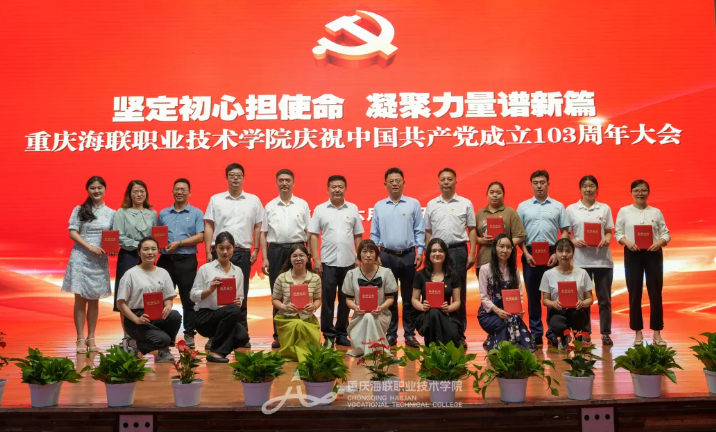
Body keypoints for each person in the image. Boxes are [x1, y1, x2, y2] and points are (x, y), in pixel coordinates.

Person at [204, 163, 264, 348]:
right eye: (232, 175)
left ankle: (242, 335)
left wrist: (256, 249)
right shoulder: (216, 199)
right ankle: (215, 335)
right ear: (226, 178)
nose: (235, 178)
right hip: (219, 253)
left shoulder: (253, 200)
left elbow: (258, 226)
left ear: (243, 178)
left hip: (242, 253)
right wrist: (207, 250)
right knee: (216, 295)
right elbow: (209, 226)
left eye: (238, 175)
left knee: (241, 295)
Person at [370, 167, 424, 348]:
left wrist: (420, 251)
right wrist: (375, 254)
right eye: (391, 181)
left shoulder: (413, 204)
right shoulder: (379, 206)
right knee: (389, 297)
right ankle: (391, 333)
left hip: (408, 255)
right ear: (385, 184)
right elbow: (374, 233)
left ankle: (409, 333)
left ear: (404, 183)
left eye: (398, 181)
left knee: (409, 297)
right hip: (386, 256)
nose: (395, 184)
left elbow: (419, 230)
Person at [62, 176, 116, 353]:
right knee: (80, 300)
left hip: (99, 260)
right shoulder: (79, 209)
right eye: (93, 188)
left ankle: (91, 337)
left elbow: (113, 237)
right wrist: (89, 247)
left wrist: (112, 249)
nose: (96, 191)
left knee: (94, 300)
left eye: (100, 187)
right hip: (81, 257)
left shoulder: (112, 213)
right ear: (88, 190)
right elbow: (72, 232)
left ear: (105, 189)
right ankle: (79, 338)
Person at [423, 168, 477, 347]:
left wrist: (472, 252)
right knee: (437, 292)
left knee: (459, 294)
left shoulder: (465, 203)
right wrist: (428, 253)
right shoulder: (431, 204)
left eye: (450, 179)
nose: (446, 182)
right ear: (438, 182)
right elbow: (428, 231)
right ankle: (439, 332)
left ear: (455, 182)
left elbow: (472, 229)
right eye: (443, 179)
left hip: (458, 250)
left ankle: (459, 334)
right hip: (437, 253)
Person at [309, 175, 364, 347]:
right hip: (328, 262)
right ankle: (328, 334)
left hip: (349, 262)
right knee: (327, 300)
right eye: (334, 187)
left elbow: (358, 235)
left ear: (345, 189)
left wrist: (359, 257)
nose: (337, 190)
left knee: (345, 299)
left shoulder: (353, 209)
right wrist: (316, 258)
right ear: (328, 189)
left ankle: (341, 333)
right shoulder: (320, 209)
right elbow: (313, 235)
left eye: (340, 187)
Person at [516, 170, 570, 348]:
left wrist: (557, 252)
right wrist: (525, 253)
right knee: (533, 295)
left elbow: (565, 231)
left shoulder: (558, 206)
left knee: (552, 294)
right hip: (530, 253)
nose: (539, 186)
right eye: (536, 183)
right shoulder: (523, 207)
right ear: (531, 184)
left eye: (542, 182)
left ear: (548, 184)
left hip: (552, 253)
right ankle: (536, 333)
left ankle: (553, 332)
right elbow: (519, 234)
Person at [615, 179, 671, 346]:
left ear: (648, 192)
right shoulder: (624, 211)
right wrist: (627, 242)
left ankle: (657, 333)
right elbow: (618, 233)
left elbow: (666, 234)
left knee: (655, 293)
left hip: (653, 254)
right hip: (633, 254)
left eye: (643, 190)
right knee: (634, 293)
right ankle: (637, 332)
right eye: (637, 190)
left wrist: (659, 243)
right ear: (631, 192)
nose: (640, 193)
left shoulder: (656, 212)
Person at [260, 169, 311, 349]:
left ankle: (301, 331)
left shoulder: (302, 205)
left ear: (293, 183)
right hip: (276, 250)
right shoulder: (270, 206)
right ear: (276, 183)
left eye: (287, 180)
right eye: (281, 180)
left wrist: (309, 254)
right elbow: (263, 233)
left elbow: (309, 232)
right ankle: (279, 335)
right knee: (278, 292)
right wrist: (264, 257)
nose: (284, 183)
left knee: (301, 290)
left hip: (297, 249)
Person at [566, 175, 615, 346]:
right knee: (582, 300)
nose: (588, 189)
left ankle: (606, 333)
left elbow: (609, 231)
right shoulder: (571, 209)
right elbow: (567, 234)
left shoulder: (604, 208)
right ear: (580, 189)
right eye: (585, 186)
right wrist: (574, 241)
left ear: (596, 188)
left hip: (602, 261)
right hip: (581, 261)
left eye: (591, 186)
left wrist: (607, 239)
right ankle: (584, 332)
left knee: (604, 300)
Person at [117, 237, 182, 362]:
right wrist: (136, 319)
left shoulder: (163, 273)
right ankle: (133, 343)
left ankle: (160, 348)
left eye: (153, 249)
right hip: (136, 318)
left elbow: (168, 297)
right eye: (146, 249)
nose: (150, 252)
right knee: (163, 339)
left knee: (175, 316)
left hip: (157, 315)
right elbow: (120, 303)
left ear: (158, 251)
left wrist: (168, 306)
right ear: (139, 252)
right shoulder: (130, 274)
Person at [157, 178, 205, 349]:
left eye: (183, 189)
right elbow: (158, 235)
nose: (179, 192)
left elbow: (201, 236)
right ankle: (164, 334)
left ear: (189, 193)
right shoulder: (163, 213)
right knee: (162, 298)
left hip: (186, 260)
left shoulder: (196, 213)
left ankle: (189, 333)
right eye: (176, 189)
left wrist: (180, 243)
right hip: (165, 261)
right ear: (172, 192)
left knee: (188, 299)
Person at [190, 232, 248, 363]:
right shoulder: (205, 269)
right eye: (221, 248)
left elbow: (239, 297)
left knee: (242, 337)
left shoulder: (238, 271)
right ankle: (215, 352)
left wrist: (238, 302)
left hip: (226, 317)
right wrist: (209, 289)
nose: (225, 252)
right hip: (205, 317)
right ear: (215, 248)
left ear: (233, 248)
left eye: (228, 248)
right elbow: (193, 296)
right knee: (232, 310)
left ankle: (217, 345)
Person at [113, 180, 157, 348]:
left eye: (142, 191)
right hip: (128, 256)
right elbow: (119, 236)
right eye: (135, 191)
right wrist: (141, 247)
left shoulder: (152, 213)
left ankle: (148, 334)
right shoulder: (121, 213)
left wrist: (148, 250)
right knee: (125, 295)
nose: (139, 194)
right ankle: (127, 336)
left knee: (149, 294)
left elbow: (156, 236)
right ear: (129, 194)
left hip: (148, 258)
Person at [342, 240, 397, 357]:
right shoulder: (351, 274)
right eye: (365, 251)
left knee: (370, 316)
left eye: (371, 252)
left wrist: (381, 307)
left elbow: (390, 298)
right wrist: (355, 308)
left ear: (376, 255)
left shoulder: (386, 273)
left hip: (380, 315)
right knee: (368, 316)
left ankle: (368, 351)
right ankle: (374, 350)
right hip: (359, 315)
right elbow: (348, 300)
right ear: (359, 254)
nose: (368, 255)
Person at [477, 234, 532, 351]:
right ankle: (506, 349)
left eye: (508, 247)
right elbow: (484, 297)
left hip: (509, 312)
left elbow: (519, 295)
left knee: (514, 318)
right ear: (494, 248)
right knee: (508, 322)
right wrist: (498, 311)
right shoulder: (485, 269)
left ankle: (507, 347)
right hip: (489, 313)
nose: (505, 250)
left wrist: (518, 309)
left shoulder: (514, 270)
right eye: (501, 246)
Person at [539, 238, 594, 349]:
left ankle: (579, 338)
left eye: (568, 251)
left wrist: (582, 303)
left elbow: (590, 299)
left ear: (573, 253)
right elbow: (545, 300)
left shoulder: (582, 273)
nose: (564, 254)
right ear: (555, 253)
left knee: (578, 317)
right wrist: (553, 303)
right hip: (558, 311)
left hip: (577, 311)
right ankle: (563, 337)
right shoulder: (548, 274)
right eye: (560, 251)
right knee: (557, 325)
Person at [272, 244, 322, 362]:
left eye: (301, 256)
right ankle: (297, 354)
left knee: (301, 325)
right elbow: (275, 300)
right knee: (298, 325)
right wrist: (285, 307)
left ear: (307, 258)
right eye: (294, 256)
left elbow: (318, 299)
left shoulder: (315, 278)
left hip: (308, 319)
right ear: (290, 259)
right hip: (287, 319)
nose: (298, 259)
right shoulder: (282, 278)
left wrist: (314, 306)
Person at [411, 238, 462, 347]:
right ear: (428, 254)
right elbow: (414, 299)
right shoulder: (420, 275)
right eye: (433, 251)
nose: (437, 254)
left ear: (445, 254)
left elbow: (457, 302)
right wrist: (422, 307)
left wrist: (448, 308)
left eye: (440, 251)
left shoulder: (453, 275)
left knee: (436, 314)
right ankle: (446, 348)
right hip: (426, 315)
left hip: (447, 314)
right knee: (433, 312)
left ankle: (433, 349)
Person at [475, 181, 526, 268]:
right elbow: (473, 237)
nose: (495, 195)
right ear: (486, 194)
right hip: (484, 260)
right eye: (491, 192)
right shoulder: (479, 214)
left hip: (506, 261)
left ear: (503, 195)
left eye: (498, 193)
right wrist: (481, 240)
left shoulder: (511, 212)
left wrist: (504, 246)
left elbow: (520, 236)